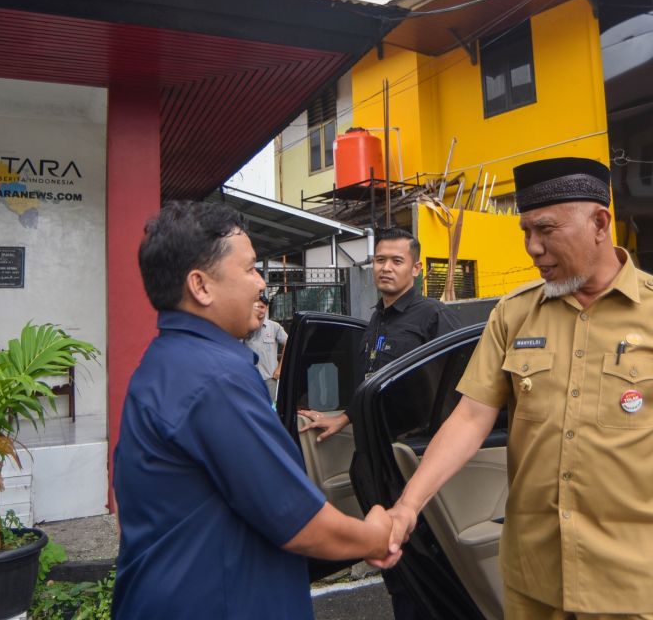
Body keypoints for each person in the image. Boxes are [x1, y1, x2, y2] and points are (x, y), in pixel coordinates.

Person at [380, 157, 653, 620]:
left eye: (546, 230)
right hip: (537, 583)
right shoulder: (513, 315)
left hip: (640, 588)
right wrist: (408, 507)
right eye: (525, 232)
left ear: (599, 223)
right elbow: (471, 418)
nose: (533, 248)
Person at [113, 201, 394, 620]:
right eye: (249, 269)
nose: (261, 283)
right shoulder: (216, 378)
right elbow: (298, 521)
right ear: (201, 286)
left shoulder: (163, 363)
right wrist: (374, 537)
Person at [298, 225, 459, 619]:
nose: (385, 268)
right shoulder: (375, 321)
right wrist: (343, 417)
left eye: (396, 261)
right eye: (380, 260)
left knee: (423, 558)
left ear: (417, 268)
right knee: (392, 561)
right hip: (372, 460)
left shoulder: (432, 317)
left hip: (411, 460)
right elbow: (373, 386)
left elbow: (457, 389)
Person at [245, 295, 288, 402]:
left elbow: (288, 343)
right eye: (256, 307)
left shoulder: (274, 327)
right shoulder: (245, 326)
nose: (259, 310)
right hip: (250, 378)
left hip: (270, 378)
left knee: (270, 408)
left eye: (262, 307)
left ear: (267, 308)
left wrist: (280, 367)